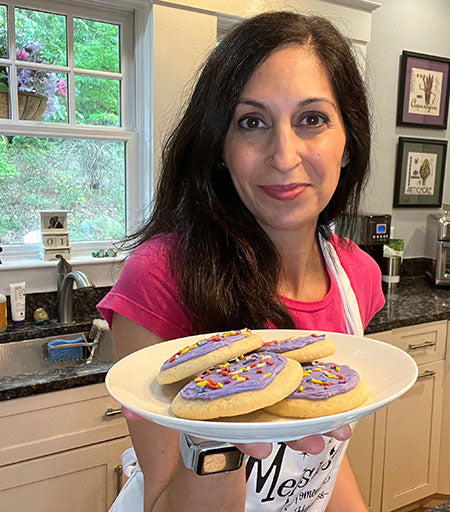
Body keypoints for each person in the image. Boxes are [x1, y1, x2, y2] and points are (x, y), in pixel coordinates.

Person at [98, 10, 384, 512]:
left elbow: (325, 458)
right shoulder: (160, 278)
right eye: (252, 122)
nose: (284, 154)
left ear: (348, 143)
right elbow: (162, 503)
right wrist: (214, 442)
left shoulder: (357, 275)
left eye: (312, 119)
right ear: (219, 149)